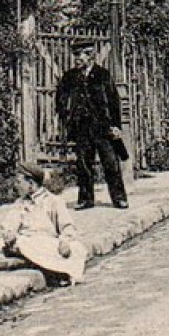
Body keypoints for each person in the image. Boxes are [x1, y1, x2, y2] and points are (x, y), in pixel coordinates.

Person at [55, 39, 128, 209]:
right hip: (81, 127)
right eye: (75, 55)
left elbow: (113, 102)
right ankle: (86, 199)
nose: (76, 59)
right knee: (83, 164)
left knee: (110, 163)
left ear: (90, 55)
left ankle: (119, 198)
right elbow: (60, 98)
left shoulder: (103, 75)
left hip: (103, 127)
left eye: (79, 55)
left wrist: (116, 126)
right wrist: (66, 116)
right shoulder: (70, 77)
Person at [0, 163, 87, 285]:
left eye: (19, 182)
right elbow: (10, 224)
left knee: (77, 248)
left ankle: (60, 271)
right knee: (23, 243)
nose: (16, 186)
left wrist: (65, 241)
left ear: (31, 183)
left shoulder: (54, 201)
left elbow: (67, 226)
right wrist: (10, 233)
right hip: (28, 241)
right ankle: (58, 272)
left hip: (49, 243)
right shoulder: (20, 204)